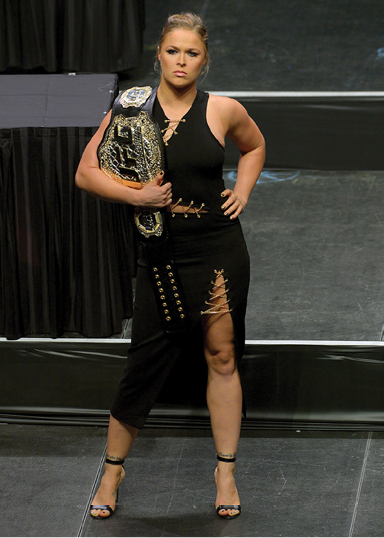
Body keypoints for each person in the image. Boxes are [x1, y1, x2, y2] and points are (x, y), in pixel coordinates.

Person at [75, 12, 265, 521]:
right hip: (160, 253)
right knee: (142, 365)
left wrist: (242, 191)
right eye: (173, 51)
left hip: (218, 246)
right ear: (158, 54)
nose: (182, 61)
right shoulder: (131, 108)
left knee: (222, 355)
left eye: (193, 53)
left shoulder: (222, 109)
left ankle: (225, 470)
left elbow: (254, 146)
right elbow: (86, 172)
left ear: (205, 61)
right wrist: (136, 196)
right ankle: (113, 469)